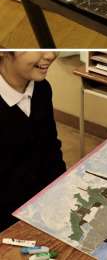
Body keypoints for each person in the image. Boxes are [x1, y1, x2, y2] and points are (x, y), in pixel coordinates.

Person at [0, 52, 66, 231]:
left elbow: (50, 149)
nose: (51, 55)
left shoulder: (42, 88)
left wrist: (62, 191)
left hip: (41, 206)